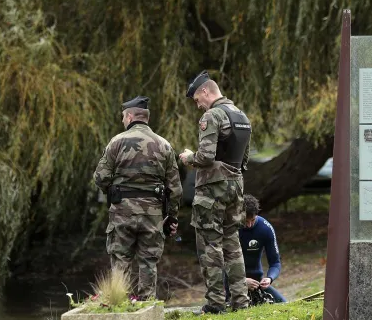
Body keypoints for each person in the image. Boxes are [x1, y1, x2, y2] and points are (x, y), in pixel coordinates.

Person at [93, 95, 183, 301]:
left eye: (124, 117)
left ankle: (119, 304)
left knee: (121, 260)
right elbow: (175, 188)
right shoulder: (164, 145)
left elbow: (100, 178)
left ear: (131, 116)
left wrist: (116, 191)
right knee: (148, 261)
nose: (123, 121)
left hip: (121, 211)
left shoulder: (116, 142)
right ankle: (146, 305)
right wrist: (172, 217)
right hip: (152, 214)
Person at [179, 70, 252, 314]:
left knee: (210, 245)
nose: (198, 106)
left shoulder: (213, 115)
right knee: (232, 244)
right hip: (236, 189)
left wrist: (190, 157)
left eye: (197, 100)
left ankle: (215, 304)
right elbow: (244, 160)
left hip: (212, 191)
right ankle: (241, 302)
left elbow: (206, 156)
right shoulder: (242, 116)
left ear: (205, 91)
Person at [224, 194, 287, 304]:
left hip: (257, 283)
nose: (249, 225)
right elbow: (220, 262)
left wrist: (269, 278)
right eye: (245, 221)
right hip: (232, 284)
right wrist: (241, 282)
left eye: (252, 220)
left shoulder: (265, 228)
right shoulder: (230, 228)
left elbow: (275, 263)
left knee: (284, 304)